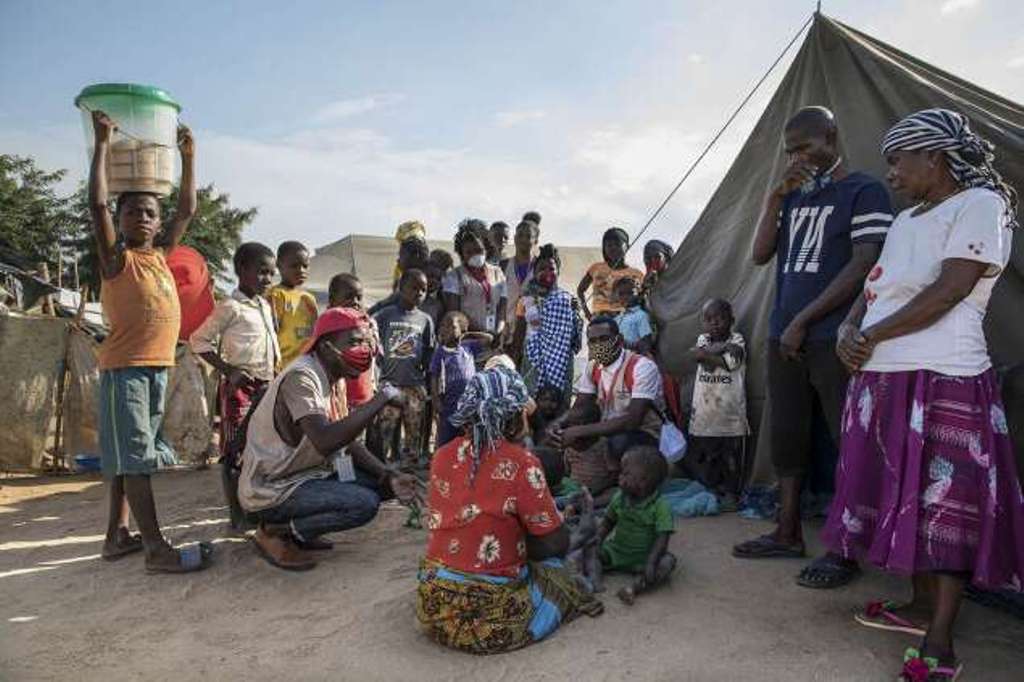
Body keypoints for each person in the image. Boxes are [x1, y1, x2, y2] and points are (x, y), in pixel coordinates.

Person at [819, 109, 1024, 681]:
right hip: (884, 375)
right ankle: (915, 604)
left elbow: (952, 288)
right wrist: (848, 328)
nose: (891, 172)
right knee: (898, 493)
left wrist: (872, 334)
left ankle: (942, 635)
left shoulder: (982, 204)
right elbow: (875, 286)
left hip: (943, 376)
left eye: (898, 160)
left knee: (944, 507)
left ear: (934, 157)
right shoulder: (908, 220)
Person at [732, 106, 892, 592]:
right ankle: (787, 531)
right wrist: (774, 196)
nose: (798, 158)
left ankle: (846, 547)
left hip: (833, 338)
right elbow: (760, 255)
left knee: (846, 438)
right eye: (791, 152)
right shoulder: (795, 197)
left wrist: (804, 319)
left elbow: (866, 262)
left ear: (832, 136)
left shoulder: (864, 191)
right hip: (785, 335)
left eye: (806, 147)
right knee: (788, 434)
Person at [87, 110, 211, 572]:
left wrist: (189, 157)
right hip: (126, 370)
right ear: (120, 220)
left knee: (128, 456)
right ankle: (156, 550)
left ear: (158, 224)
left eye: (149, 212)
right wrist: (102, 144)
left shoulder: (159, 257)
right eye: (132, 210)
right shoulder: (117, 261)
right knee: (137, 459)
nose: (141, 216)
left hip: (157, 368)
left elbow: (187, 209)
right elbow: (96, 205)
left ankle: (117, 536)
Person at [416, 365, 602, 654]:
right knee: (558, 573)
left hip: (435, 607)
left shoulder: (441, 456)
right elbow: (556, 543)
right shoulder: (522, 463)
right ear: (515, 419)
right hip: (493, 619)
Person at [239, 308, 420, 570]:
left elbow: (345, 439)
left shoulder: (335, 377)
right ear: (325, 347)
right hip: (273, 488)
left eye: (364, 342)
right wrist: (380, 400)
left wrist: (388, 473)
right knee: (363, 504)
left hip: (307, 475)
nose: (363, 350)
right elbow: (325, 440)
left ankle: (302, 531)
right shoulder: (302, 377)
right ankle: (276, 532)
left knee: (385, 483)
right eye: (354, 342)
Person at [190, 242, 281, 531]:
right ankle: (237, 516)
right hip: (239, 390)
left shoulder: (265, 306)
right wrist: (229, 370)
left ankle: (256, 507)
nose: (267, 279)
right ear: (242, 270)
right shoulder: (230, 307)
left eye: (271, 273)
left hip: (266, 386)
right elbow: (198, 341)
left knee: (263, 449)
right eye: (262, 272)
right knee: (234, 452)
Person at [551, 315, 664, 488]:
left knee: (618, 443)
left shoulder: (642, 367)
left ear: (619, 340)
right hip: (608, 429)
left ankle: (613, 484)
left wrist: (579, 431)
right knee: (561, 433)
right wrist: (559, 424)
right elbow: (580, 407)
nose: (598, 345)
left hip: (643, 433)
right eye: (593, 341)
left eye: (603, 339)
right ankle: (578, 475)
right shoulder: (593, 367)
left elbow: (633, 421)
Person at [593, 446, 677, 605]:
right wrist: (598, 540)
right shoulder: (619, 497)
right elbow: (608, 522)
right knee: (590, 552)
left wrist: (651, 562)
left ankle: (633, 588)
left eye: (625, 474)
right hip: (616, 551)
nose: (619, 477)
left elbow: (662, 538)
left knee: (667, 562)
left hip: (644, 557)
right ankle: (595, 583)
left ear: (644, 481)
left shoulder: (660, 506)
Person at [687, 299, 749, 509]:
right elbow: (698, 355)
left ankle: (731, 494)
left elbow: (729, 363)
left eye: (720, 318)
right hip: (706, 414)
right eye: (709, 319)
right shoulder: (702, 339)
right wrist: (721, 348)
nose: (714, 323)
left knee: (730, 458)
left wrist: (708, 354)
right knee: (708, 456)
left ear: (731, 320)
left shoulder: (738, 339)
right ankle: (713, 491)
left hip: (729, 415)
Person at [373, 269, 435, 467]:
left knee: (414, 428)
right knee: (386, 428)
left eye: (423, 290)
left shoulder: (425, 320)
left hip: (415, 385)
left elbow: (429, 349)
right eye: (414, 288)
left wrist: (425, 375)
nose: (419, 293)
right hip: (390, 383)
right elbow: (372, 339)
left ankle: (410, 468)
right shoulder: (385, 315)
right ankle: (381, 466)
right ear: (401, 288)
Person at [512, 243, 582, 397]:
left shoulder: (567, 299)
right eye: (541, 269)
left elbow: (574, 336)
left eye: (551, 268)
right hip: (533, 360)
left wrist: (576, 312)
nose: (547, 272)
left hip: (561, 360)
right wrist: (515, 361)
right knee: (531, 401)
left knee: (560, 402)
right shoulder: (526, 300)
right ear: (534, 272)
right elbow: (519, 333)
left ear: (558, 271)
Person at [429, 311, 491, 448]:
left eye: (451, 326)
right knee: (446, 437)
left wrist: (467, 333)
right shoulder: (441, 351)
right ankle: (440, 461)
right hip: (449, 404)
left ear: (462, 330)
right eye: (443, 326)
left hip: (469, 404)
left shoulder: (468, 347)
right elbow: (434, 376)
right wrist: (435, 399)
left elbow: (489, 339)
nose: (445, 329)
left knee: (467, 438)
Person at [441, 218, 508, 338]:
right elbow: (455, 315)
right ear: (461, 254)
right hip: (467, 340)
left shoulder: (498, 273)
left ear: (486, 248)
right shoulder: (454, 277)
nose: (474, 255)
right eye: (468, 252)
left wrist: (498, 332)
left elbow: (502, 309)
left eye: (479, 250)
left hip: (494, 338)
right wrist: (481, 334)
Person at [328, 273, 378, 409]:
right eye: (349, 297)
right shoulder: (326, 327)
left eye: (359, 298)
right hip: (336, 399)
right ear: (332, 300)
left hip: (363, 396)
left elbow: (374, 352)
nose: (355, 302)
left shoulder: (368, 324)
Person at [267, 241, 317, 369]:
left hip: (307, 367)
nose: (301, 270)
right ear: (279, 265)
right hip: (283, 369)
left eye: (305, 266)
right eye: (294, 266)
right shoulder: (275, 295)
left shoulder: (309, 299)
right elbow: (268, 337)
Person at [577, 227, 645, 321]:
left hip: (625, 319)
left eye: (617, 244)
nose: (613, 248)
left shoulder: (637, 274)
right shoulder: (596, 268)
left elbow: (641, 299)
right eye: (609, 245)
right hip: (600, 319)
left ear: (627, 246)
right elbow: (580, 290)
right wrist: (587, 314)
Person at [501, 220, 540, 343]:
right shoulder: (504, 265)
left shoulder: (541, 266)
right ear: (514, 238)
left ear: (536, 241)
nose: (523, 239)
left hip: (533, 334)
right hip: (506, 333)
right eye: (520, 235)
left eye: (528, 236)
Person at [614, 277, 655, 355]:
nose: (625, 297)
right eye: (621, 294)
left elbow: (646, 346)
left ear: (637, 294)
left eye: (629, 293)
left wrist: (626, 344)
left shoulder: (641, 316)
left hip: (633, 360)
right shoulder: (617, 319)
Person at [641, 239, 674, 305]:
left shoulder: (677, 278)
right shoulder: (644, 283)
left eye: (657, 257)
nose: (652, 261)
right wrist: (645, 288)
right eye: (648, 258)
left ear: (666, 258)